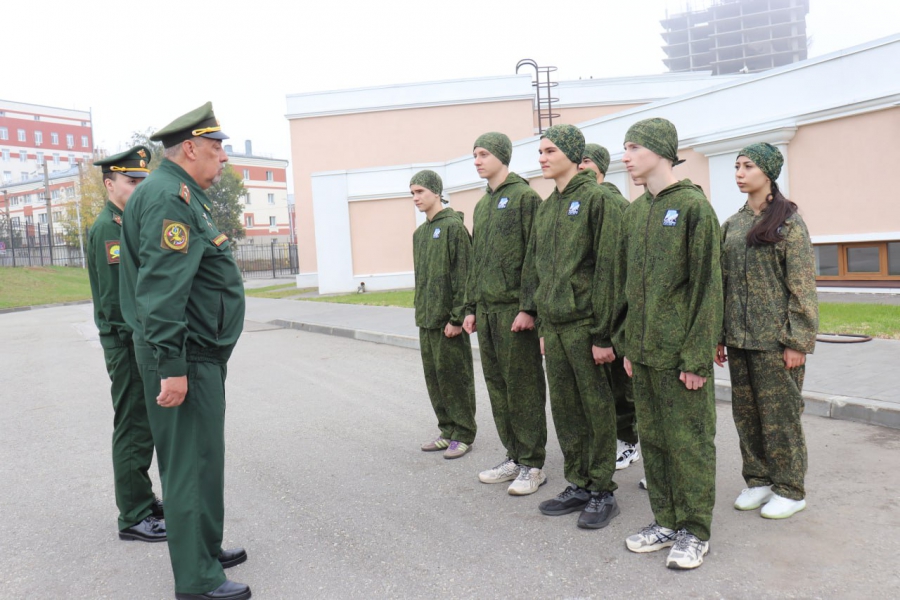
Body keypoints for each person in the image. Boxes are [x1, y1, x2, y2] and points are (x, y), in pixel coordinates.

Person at [119, 102, 250, 600]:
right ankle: (196, 580)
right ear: (190, 148)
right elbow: (160, 290)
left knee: (204, 459)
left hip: (198, 352)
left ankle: (205, 549)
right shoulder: (169, 197)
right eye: (217, 152)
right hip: (183, 355)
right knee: (190, 465)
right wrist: (172, 368)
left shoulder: (184, 194)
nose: (223, 162)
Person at [613, 117, 722, 570]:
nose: (626, 156)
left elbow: (708, 289)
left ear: (660, 150)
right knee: (654, 441)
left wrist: (697, 358)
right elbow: (626, 286)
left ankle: (694, 531)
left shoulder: (695, 208)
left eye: (635, 147)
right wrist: (628, 347)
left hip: (681, 358)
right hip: (645, 354)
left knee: (690, 444)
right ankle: (666, 522)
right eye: (625, 147)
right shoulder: (637, 211)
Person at [522, 124, 622, 529]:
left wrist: (604, 334)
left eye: (549, 151)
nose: (542, 158)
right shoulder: (548, 206)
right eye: (540, 152)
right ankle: (578, 482)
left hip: (586, 326)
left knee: (596, 409)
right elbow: (540, 268)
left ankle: (602, 490)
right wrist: (543, 324)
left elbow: (611, 270)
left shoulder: (598, 199)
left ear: (571, 154)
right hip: (557, 326)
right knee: (565, 408)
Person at [716, 143, 817, 520]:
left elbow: (803, 286)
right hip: (740, 340)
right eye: (737, 166)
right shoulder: (734, 223)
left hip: (776, 343)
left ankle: (790, 489)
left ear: (769, 172)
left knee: (781, 417)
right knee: (746, 415)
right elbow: (721, 283)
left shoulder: (789, 222)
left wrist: (797, 341)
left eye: (749, 166)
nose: (740, 173)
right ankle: (757, 480)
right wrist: (718, 335)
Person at [88, 146, 166, 543]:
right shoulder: (109, 229)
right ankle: (133, 515)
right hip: (125, 341)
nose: (138, 188)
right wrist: (140, 339)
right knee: (134, 426)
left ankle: (141, 497)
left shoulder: (127, 224)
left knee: (143, 425)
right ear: (109, 184)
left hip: (135, 338)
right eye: (131, 182)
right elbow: (114, 301)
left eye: (142, 182)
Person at [463, 133, 548, 495]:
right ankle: (513, 455)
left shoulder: (524, 197)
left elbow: (536, 255)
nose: (478, 160)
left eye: (484, 154)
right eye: (475, 155)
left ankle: (532, 463)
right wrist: (470, 307)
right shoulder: (482, 206)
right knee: (498, 387)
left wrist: (529, 307)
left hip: (514, 312)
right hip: (487, 312)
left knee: (523, 388)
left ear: (502, 156)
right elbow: (476, 260)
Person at [579, 142, 640, 471]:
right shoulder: (578, 205)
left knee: (620, 385)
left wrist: (614, 320)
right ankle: (610, 438)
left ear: (600, 167)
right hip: (588, 313)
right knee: (600, 385)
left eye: (586, 161)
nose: (580, 166)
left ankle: (628, 441)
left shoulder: (612, 202)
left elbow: (615, 266)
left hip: (615, 312)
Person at [412, 169, 478, 460]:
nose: (415, 198)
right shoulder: (420, 234)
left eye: (420, 192)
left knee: (455, 377)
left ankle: (463, 433)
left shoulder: (453, 228)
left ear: (436, 192)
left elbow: (464, 275)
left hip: (447, 322)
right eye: (412, 193)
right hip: (426, 320)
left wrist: (456, 318)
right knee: (435, 378)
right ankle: (447, 429)